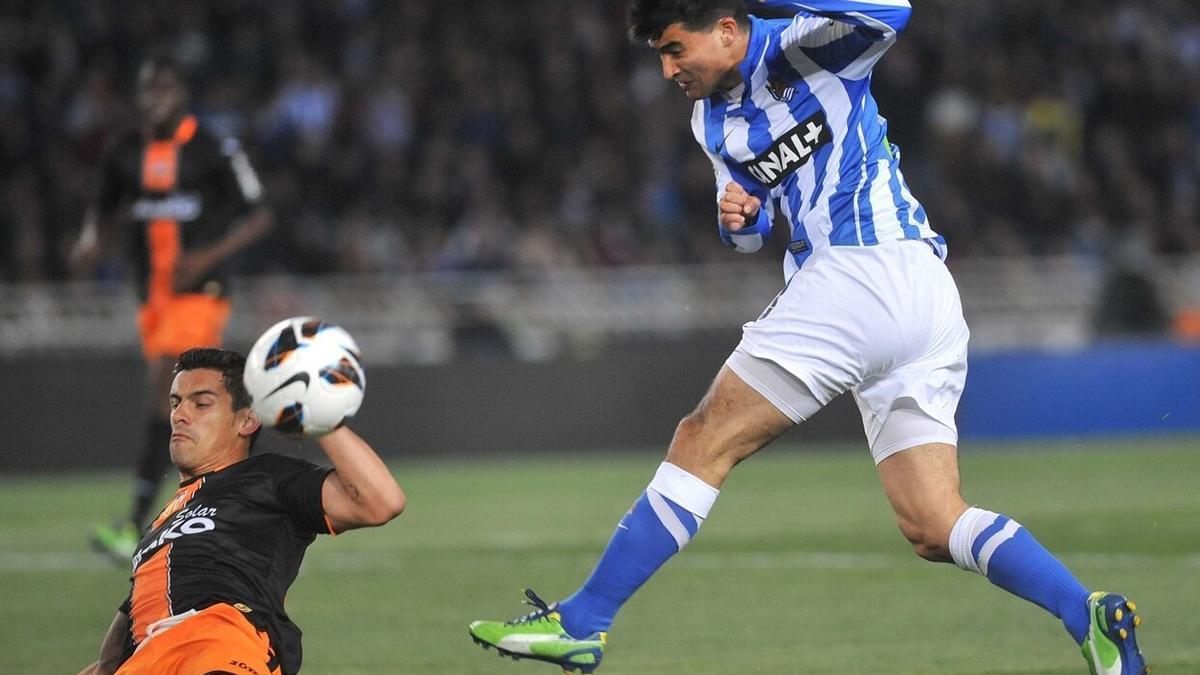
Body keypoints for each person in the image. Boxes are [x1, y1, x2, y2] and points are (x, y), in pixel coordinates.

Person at [467, 2, 1147, 674]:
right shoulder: (713, 121)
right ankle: (1087, 613)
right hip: (920, 291)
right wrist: (739, 217)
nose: (668, 68)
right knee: (933, 523)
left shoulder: (809, 43)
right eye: (661, 56)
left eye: (676, 49)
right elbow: (747, 230)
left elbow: (895, 10)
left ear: (728, 29)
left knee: (702, 439)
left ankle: (582, 622)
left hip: (859, 271)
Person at [78, 347, 405, 675]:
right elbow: (121, 638)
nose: (178, 414)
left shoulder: (269, 477)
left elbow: (381, 502)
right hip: (148, 659)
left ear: (247, 419)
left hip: (219, 645)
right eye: (176, 402)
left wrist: (321, 419)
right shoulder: (161, 525)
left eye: (201, 403)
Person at [71, 56, 272, 562]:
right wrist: (92, 241)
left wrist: (207, 254)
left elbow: (258, 215)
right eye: (148, 90)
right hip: (153, 296)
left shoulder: (212, 148)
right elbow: (103, 209)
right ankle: (235, 508)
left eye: (166, 89)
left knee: (174, 386)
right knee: (194, 399)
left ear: (182, 93)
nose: (157, 99)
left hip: (199, 288)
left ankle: (144, 521)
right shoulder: (123, 151)